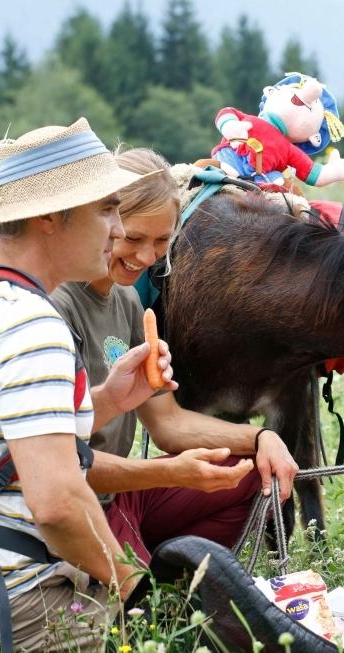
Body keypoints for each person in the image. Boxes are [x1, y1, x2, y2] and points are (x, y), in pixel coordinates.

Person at [0, 118, 175, 651]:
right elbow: (59, 504)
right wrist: (139, 592)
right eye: (106, 208)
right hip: (11, 607)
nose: (117, 229)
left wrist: (110, 400)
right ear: (49, 216)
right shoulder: (30, 323)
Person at [51, 146, 299, 564]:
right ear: (105, 223)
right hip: (74, 500)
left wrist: (259, 438)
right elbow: (51, 461)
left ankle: (169, 574)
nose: (147, 258)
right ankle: (137, 577)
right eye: (134, 239)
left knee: (241, 470)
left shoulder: (128, 301)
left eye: (162, 241)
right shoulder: (59, 304)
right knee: (133, 602)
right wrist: (169, 471)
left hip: (117, 497)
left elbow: (166, 423)